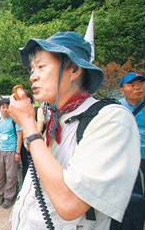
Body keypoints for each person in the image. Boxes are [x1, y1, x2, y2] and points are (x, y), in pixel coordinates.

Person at [9, 32, 140, 229]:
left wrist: (28, 125)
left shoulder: (111, 119)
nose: (32, 76)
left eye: (41, 67)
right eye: (32, 69)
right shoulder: (55, 118)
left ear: (74, 69)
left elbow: (70, 204)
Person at [117, 72, 145, 230]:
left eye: (141, 83)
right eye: (132, 85)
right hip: (128, 160)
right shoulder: (116, 108)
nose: (138, 88)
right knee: (133, 199)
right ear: (122, 89)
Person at [0, 98, 22, 209]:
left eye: (7, 107)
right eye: (2, 107)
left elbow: (20, 136)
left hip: (11, 151)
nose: (5, 109)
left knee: (11, 175)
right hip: (0, 150)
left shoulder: (15, 120)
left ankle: (8, 197)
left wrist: (17, 152)